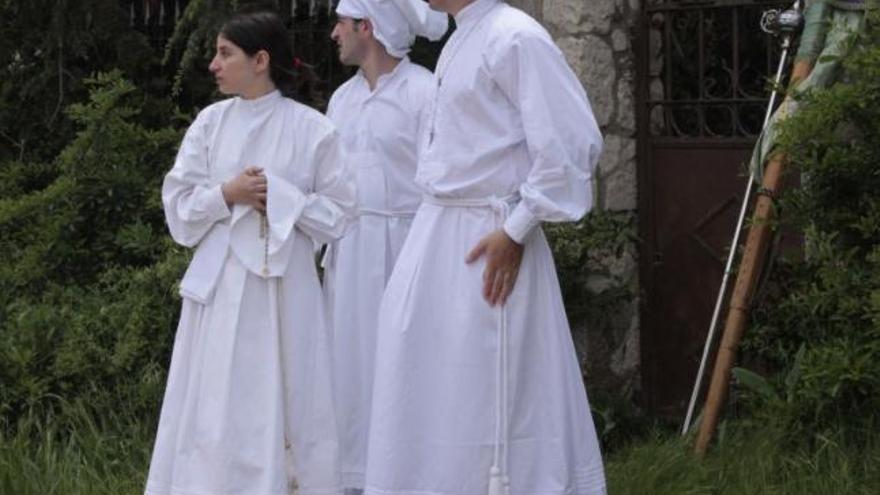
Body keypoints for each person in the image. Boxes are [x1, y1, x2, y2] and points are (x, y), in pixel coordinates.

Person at [364, 1, 606, 494]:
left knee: (487, 385)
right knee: (434, 385)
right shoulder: (461, 39)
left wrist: (517, 228)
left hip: (486, 234)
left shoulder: (514, 37)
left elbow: (570, 141)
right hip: (439, 235)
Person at [145, 11, 354, 495]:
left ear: (260, 60)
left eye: (225, 53)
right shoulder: (210, 123)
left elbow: (341, 214)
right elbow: (179, 206)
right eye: (215, 53)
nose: (214, 64)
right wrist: (228, 193)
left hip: (285, 291)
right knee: (215, 397)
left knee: (283, 393)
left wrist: (282, 196)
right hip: (219, 291)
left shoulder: (312, 129)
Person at [321, 1, 448, 493]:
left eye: (341, 23)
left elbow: (440, 177)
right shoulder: (342, 100)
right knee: (350, 362)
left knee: (405, 361)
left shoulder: (424, 93)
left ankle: (411, 473)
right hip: (351, 252)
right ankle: (356, 472)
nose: (334, 33)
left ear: (366, 28)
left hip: (407, 248)